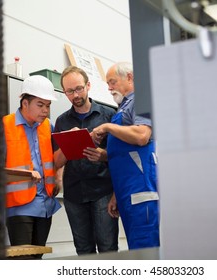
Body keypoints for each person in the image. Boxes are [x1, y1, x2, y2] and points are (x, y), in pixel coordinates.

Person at [0, 75, 62, 259]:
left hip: (45, 206)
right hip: (18, 206)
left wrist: (59, 176)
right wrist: (26, 174)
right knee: (23, 261)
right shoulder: (5, 126)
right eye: (40, 104)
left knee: (37, 259)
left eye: (48, 105)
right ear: (25, 103)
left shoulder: (48, 126)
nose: (45, 110)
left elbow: (55, 160)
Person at [90, 62, 160, 250]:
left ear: (130, 77)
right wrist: (116, 194)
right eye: (108, 83)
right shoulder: (123, 108)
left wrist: (107, 127)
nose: (109, 88)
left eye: (112, 82)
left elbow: (142, 136)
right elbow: (124, 154)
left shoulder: (140, 100)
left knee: (147, 250)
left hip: (141, 191)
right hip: (127, 192)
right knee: (136, 248)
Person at [53, 66, 119, 255]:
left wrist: (103, 154)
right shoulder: (61, 121)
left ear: (88, 85)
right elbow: (56, 163)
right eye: (70, 91)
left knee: (108, 249)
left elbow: (120, 156)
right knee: (83, 251)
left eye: (79, 88)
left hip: (103, 191)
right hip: (74, 194)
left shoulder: (109, 115)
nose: (75, 95)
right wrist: (68, 143)